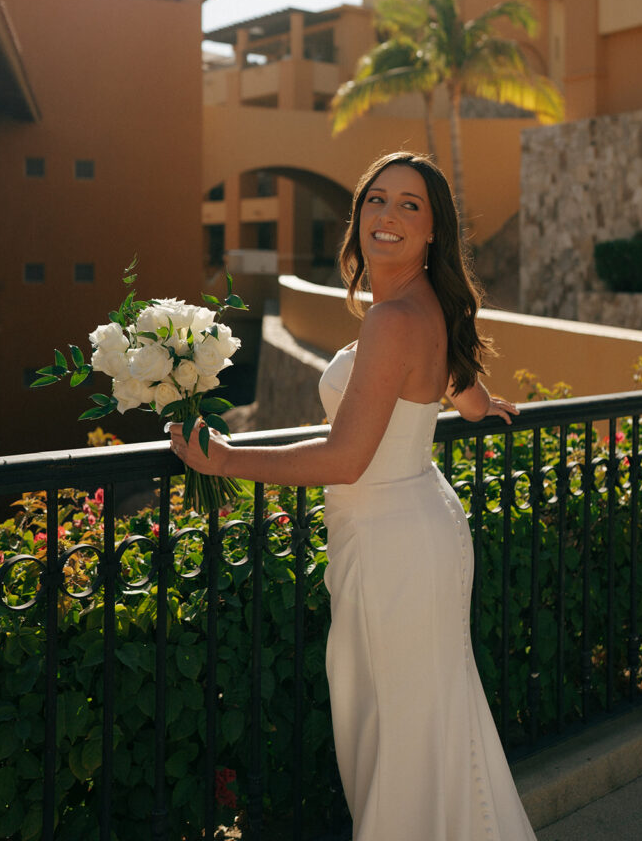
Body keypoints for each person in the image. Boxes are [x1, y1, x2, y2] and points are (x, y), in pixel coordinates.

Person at [170, 152, 537, 841]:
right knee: (421, 720)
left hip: (393, 542)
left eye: (409, 205)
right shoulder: (415, 306)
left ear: (432, 230)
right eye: (376, 200)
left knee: (394, 734)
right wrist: (482, 405)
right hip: (411, 526)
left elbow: (345, 458)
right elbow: (455, 381)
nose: (388, 216)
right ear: (356, 216)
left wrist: (226, 459)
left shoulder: (395, 318)